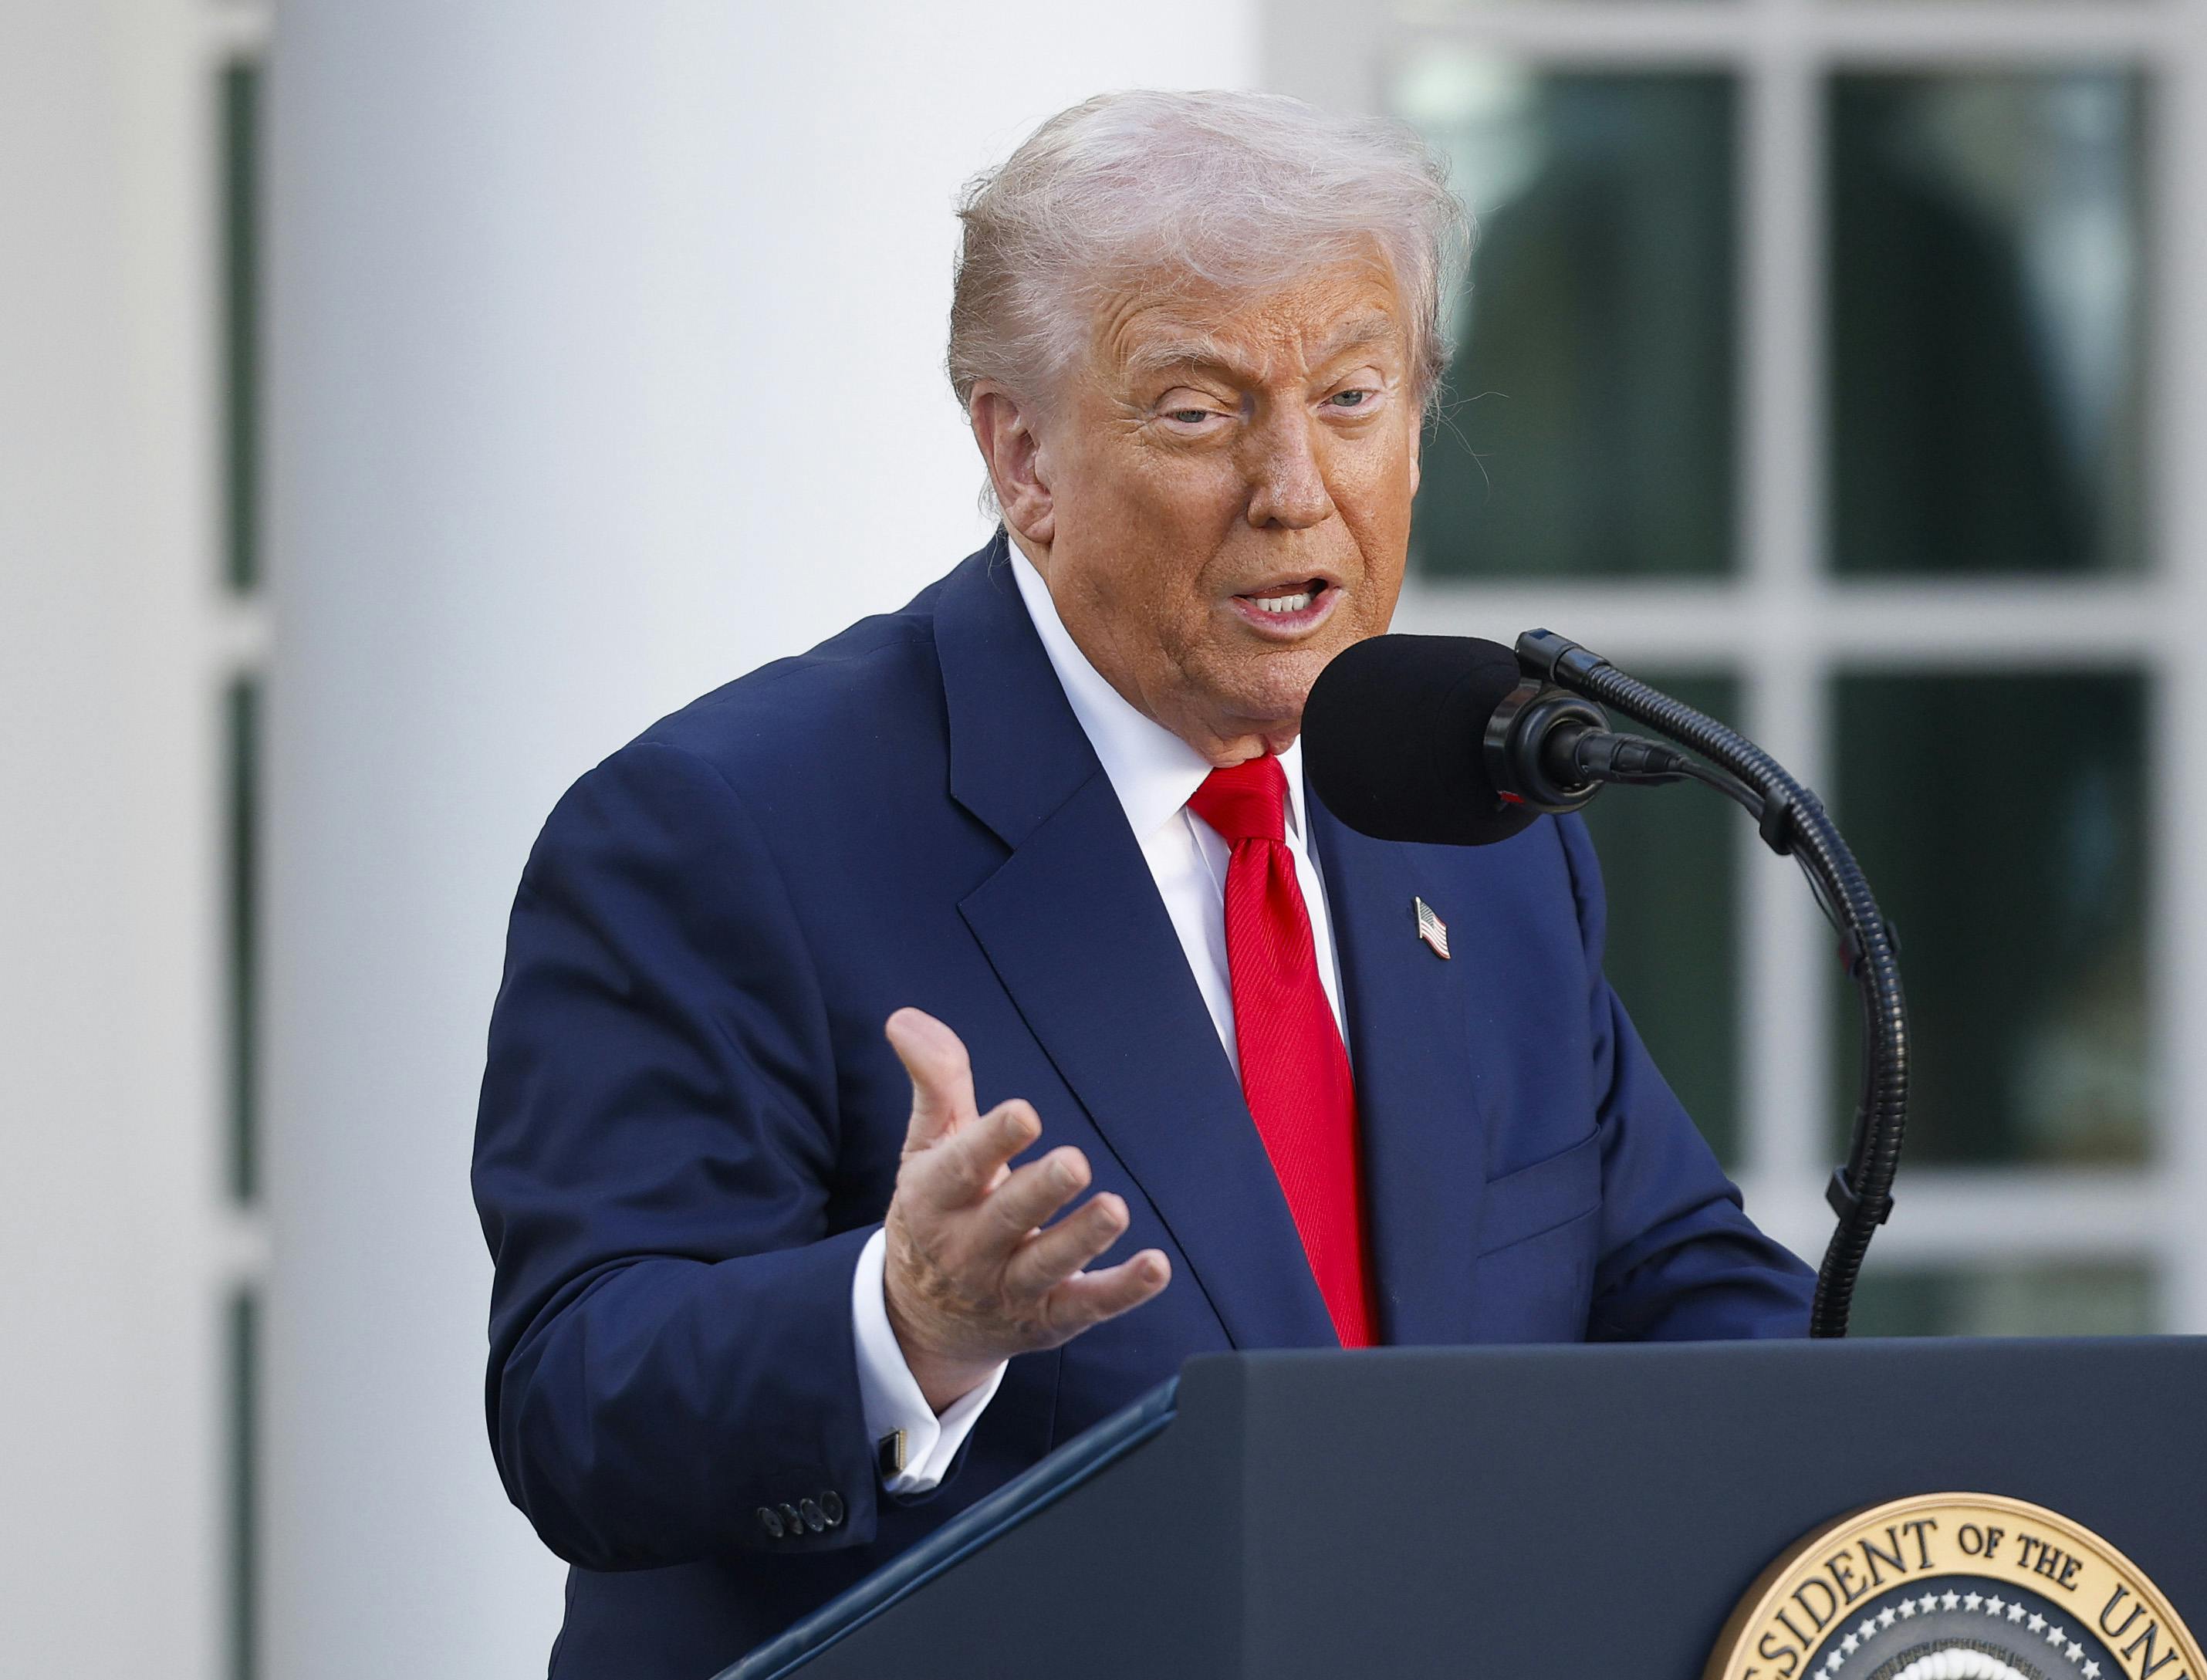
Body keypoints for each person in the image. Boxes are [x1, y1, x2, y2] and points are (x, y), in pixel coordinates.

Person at [471, 89, 1814, 1680]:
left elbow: (1676, 1293)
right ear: (1020, 454)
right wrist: (903, 1322)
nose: (1295, 486)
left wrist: (1924, 1458)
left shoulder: (1469, 815)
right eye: (1198, 410)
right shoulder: (721, 828)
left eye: (1353, 396)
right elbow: (576, 1403)